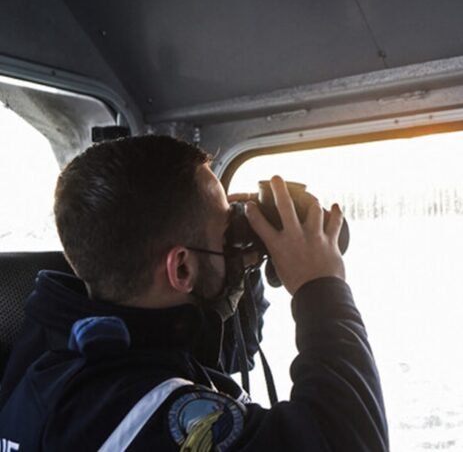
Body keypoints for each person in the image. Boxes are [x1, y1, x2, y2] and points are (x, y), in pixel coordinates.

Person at [0, 135, 388, 451]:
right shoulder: (131, 412)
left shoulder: (67, 339)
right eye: (226, 233)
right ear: (181, 268)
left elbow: (224, 355)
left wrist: (236, 266)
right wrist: (320, 286)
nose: (233, 239)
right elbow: (348, 442)